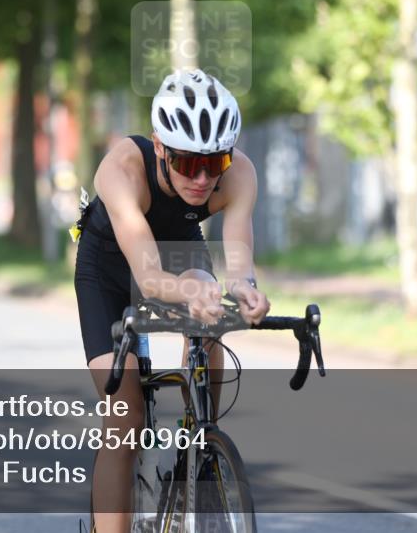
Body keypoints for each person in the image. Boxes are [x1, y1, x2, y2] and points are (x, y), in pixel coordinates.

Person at [72, 69, 271, 533]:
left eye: (214, 163)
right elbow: (147, 275)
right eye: (186, 164)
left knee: (211, 317)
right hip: (110, 266)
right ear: (161, 148)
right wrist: (194, 291)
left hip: (180, 248)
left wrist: (243, 290)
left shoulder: (238, 173)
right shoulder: (121, 168)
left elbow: (238, 260)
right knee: (125, 414)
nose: (202, 179)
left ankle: (199, 438)